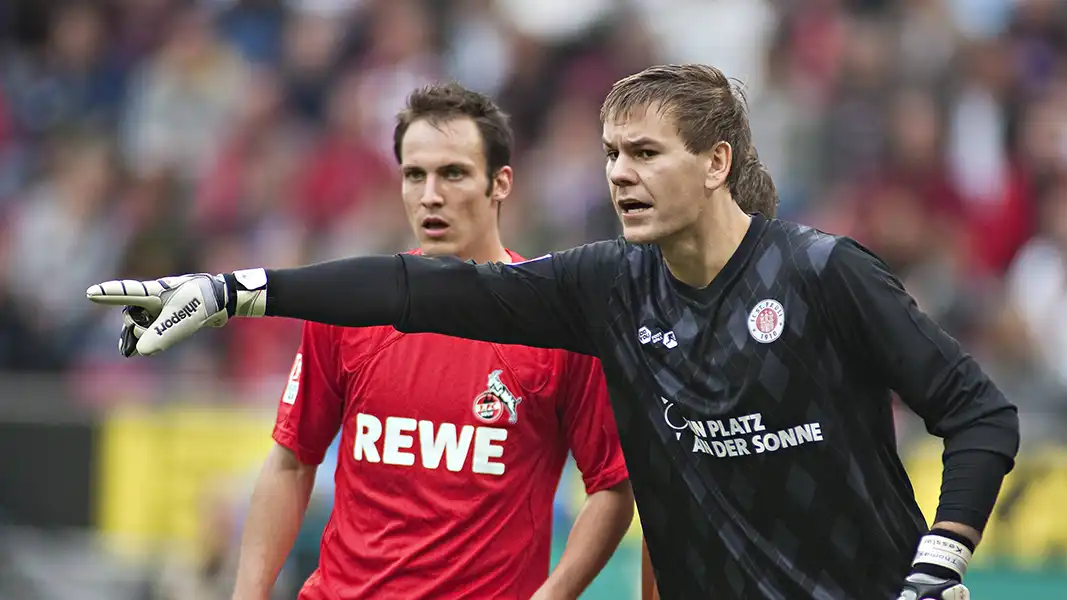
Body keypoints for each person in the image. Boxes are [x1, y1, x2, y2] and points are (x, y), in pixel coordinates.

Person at [88, 64, 1019, 600]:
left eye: (645, 153)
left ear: (716, 163)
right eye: (611, 154)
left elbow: (980, 415)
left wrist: (939, 560)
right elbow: (421, 290)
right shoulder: (607, 287)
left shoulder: (821, 273)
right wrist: (233, 289)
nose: (619, 173)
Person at [206, 83, 637, 600]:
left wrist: (551, 595)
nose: (431, 194)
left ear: (500, 183)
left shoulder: (556, 323)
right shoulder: (351, 307)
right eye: (415, 175)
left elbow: (612, 486)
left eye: (453, 173)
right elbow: (291, 461)